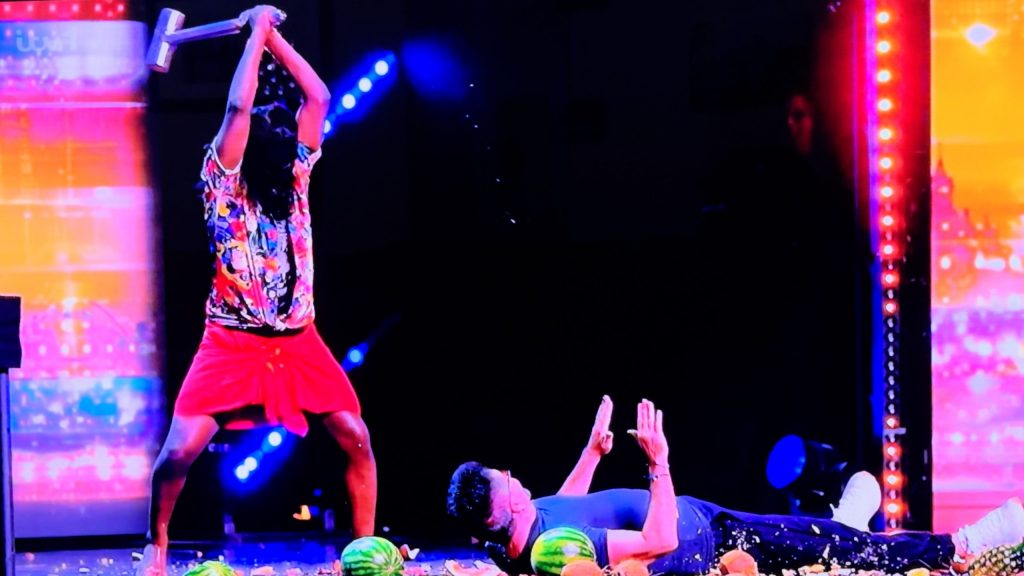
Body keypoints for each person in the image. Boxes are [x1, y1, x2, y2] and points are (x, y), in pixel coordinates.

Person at [138, 6, 376, 575]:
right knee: (177, 454)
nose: (288, 144)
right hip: (231, 342)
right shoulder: (222, 183)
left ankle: (366, 549)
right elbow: (238, 109)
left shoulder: (296, 175)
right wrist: (257, 34)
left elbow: (318, 97)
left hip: (298, 340)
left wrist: (272, 38)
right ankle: (157, 540)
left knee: (356, 438)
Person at [446, 398, 1024, 576]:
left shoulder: (506, 539)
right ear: (508, 500)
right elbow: (659, 540)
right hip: (701, 538)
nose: (516, 478)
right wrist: (659, 465)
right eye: (507, 479)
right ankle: (958, 545)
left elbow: (562, 504)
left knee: (815, 542)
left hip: (702, 523)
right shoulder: (564, 550)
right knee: (830, 548)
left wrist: (592, 455)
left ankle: (840, 531)